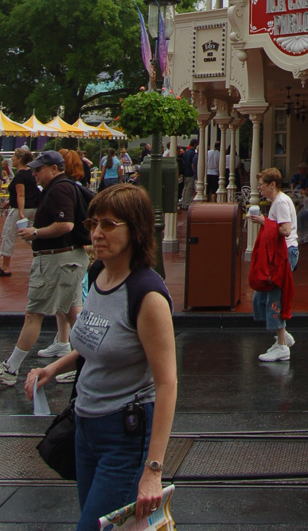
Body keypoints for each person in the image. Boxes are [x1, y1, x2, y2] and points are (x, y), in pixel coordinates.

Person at [24, 183, 177, 531]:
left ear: (135, 230)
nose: (96, 233)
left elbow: (167, 383)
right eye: (93, 224)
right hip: (85, 427)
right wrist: (55, 366)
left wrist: (153, 470)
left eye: (109, 225)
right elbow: (96, 339)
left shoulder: (147, 295)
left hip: (124, 435)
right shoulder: (98, 274)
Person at [0, 151, 90, 386]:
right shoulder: (63, 186)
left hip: (57, 260)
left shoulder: (59, 189)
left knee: (34, 314)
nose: (35, 173)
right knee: (73, 313)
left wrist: (36, 232)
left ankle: (11, 369)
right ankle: (90, 362)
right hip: (66, 259)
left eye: (39, 169)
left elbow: (65, 224)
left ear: (53, 168)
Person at [249, 168, 296, 361]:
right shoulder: (277, 202)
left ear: (272, 185)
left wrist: (264, 221)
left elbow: (285, 230)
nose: (259, 188)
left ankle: (282, 346)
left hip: (284, 253)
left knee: (274, 295)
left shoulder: (281, 202)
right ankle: (282, 336)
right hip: (280, 253)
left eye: (261, 184)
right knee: (262, 297)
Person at [0, 147, 38, 276]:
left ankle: (5, 266)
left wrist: (20, 212)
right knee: (29, 234)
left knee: (8, 234)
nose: (12, 159)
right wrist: (10, 202)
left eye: (14, 157)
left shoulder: (20, 176)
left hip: (21, 209)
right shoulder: (31, 173)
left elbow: (21, 195)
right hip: (34, 207)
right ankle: (42, 251)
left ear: (20, 159)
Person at [180, 139, 198, 207]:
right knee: (190, 189)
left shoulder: (186, 152)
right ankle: (187, 203)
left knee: (185, 188)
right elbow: (192, 164)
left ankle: (184, 203)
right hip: (190, 173)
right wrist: (194, 172)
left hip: (185, 172)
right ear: (194, 144)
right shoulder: (193, 153)